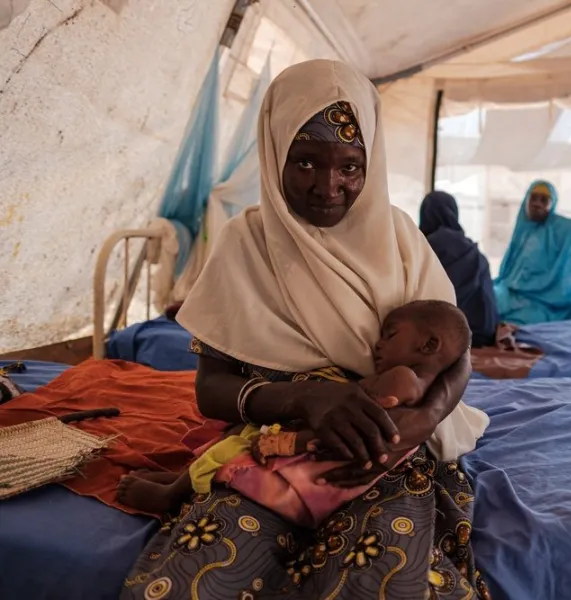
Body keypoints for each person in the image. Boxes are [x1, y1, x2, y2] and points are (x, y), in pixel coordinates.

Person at [120, 60, 491, 600]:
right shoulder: (245, 244)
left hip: (380, 457)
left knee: (384, 582)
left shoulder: (401, 241)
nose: (328, 186)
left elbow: (456, 352)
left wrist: (425, 419)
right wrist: (309, 398)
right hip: (274, 454)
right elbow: (210, 389)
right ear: (273, 155)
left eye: (350, 166)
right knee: (192, 582)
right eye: (305, 162)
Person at [115, 300, 472, 528]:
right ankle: (181, 478)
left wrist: (287, 441)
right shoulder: (243, 243)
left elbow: (355, 426)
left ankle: (173, 494)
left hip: (326, 454)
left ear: (427, 346)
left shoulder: (401, 378)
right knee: (236, 435)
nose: (378, 343)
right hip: (318, 429)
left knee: (234, 453)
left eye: (390, 335)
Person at [494, 180, 571, 325]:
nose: (537, 204)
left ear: (552, 204)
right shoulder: (522, 230)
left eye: (544, 200)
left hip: (544, 304)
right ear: (526, 201)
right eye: (533, 198)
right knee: (482, 300)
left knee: (515, 319)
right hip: (512, 292)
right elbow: (506, 273)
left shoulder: (562, 229)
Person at [419, 191, 501, 347]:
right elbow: (488, 303)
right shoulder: (474, 252)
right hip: (480, 334)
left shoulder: (421, 248)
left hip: (435, 338)